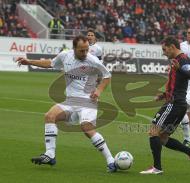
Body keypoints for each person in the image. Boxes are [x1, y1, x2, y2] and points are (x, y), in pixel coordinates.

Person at [15, 35, 117, 173]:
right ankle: (50, 155)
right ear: (74, 48)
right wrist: (29, 62)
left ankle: (110, 160)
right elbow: (50, 63)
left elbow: (107, 75)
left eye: (87, 50)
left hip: (88, 101)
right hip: (70, 101)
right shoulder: (65, 56)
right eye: (82, 50)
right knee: (50, 116)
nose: (85, 53)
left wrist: (99, 90)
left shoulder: (92, 60)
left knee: (86, 128)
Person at [140, 36, 190, 175]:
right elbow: (177, 85)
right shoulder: (176, 61)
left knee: (153, 131)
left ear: (172, 47)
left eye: (164, 49)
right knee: (162, 138)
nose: (163, 52)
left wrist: (179, 68)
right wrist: (163, 95)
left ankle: (157, 168)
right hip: (177, 103)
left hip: (174, 104)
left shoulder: (183, 59)